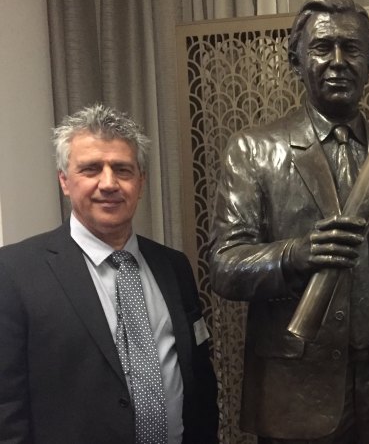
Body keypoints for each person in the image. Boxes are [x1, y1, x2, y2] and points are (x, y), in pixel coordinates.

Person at [209, 0, 369, 443]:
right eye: (322, 47)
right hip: (295, 390)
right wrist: (294, 255)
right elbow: (224, 266)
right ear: (296, 60)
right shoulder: (254, 150)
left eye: (351, 48)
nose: (338, 61)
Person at [0, 104, 219, 444]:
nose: (109, 183)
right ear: (64, 181)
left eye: (123, 169)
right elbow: (6, 406)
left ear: (141, 182)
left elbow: (199, 380)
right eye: (90, 169)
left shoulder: (173, 266)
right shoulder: (14, 272)